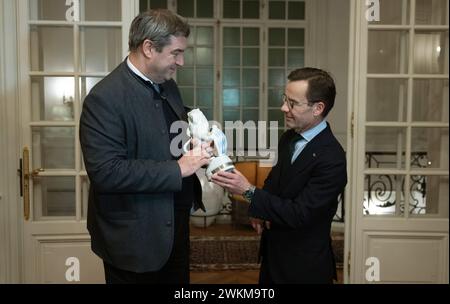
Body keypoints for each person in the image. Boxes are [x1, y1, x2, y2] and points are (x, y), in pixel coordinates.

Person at [79, 9, 212, 284]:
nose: (182, 62)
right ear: (149, 48)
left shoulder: (169, 86)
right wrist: (178, 168)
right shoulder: (104, 99)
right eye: (176, 53)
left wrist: (194, 140)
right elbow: (107, 172)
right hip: (134, 241)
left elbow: (166, 134)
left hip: (174, 228)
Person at [212, 68, 347, 284]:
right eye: (285, 99)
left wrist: (248, 192)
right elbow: (275, 182)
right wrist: (260, 211)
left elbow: (300, 214)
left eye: (293, 103)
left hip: (304, 268)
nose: (283, 108)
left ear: (318, 108)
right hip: (273, 258)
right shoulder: (289, 138)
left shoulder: (333, 158)